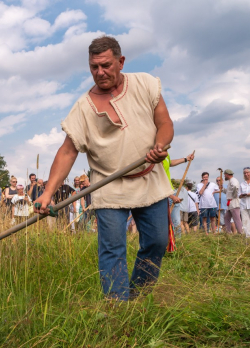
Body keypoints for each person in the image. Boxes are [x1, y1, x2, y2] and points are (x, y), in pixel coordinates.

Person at [33, 36, 174, 301]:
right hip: (108, 185)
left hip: (149, 178)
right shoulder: (83, 108)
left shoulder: (144, 83)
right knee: (112, 249)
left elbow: (165, 122)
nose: (100, 72)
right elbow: (67, 151)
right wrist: (48, 193)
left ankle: (139, 297)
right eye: (94, 67)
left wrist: (160, 144)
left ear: (120, 62)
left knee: (157, 241)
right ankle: (117, 307)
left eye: (106, 65)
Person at [223, 169, 243, 234]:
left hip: (234, 202)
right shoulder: (230, 181)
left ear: (227, 174)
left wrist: (234, 195)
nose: (224, 176)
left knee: (236, 218)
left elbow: (235, 187)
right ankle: (228, 232)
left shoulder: (233, 180)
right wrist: (222, 189)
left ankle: (240, 232)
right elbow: (228, 192)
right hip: (230, 203)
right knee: (226, 217)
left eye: (224, 175)